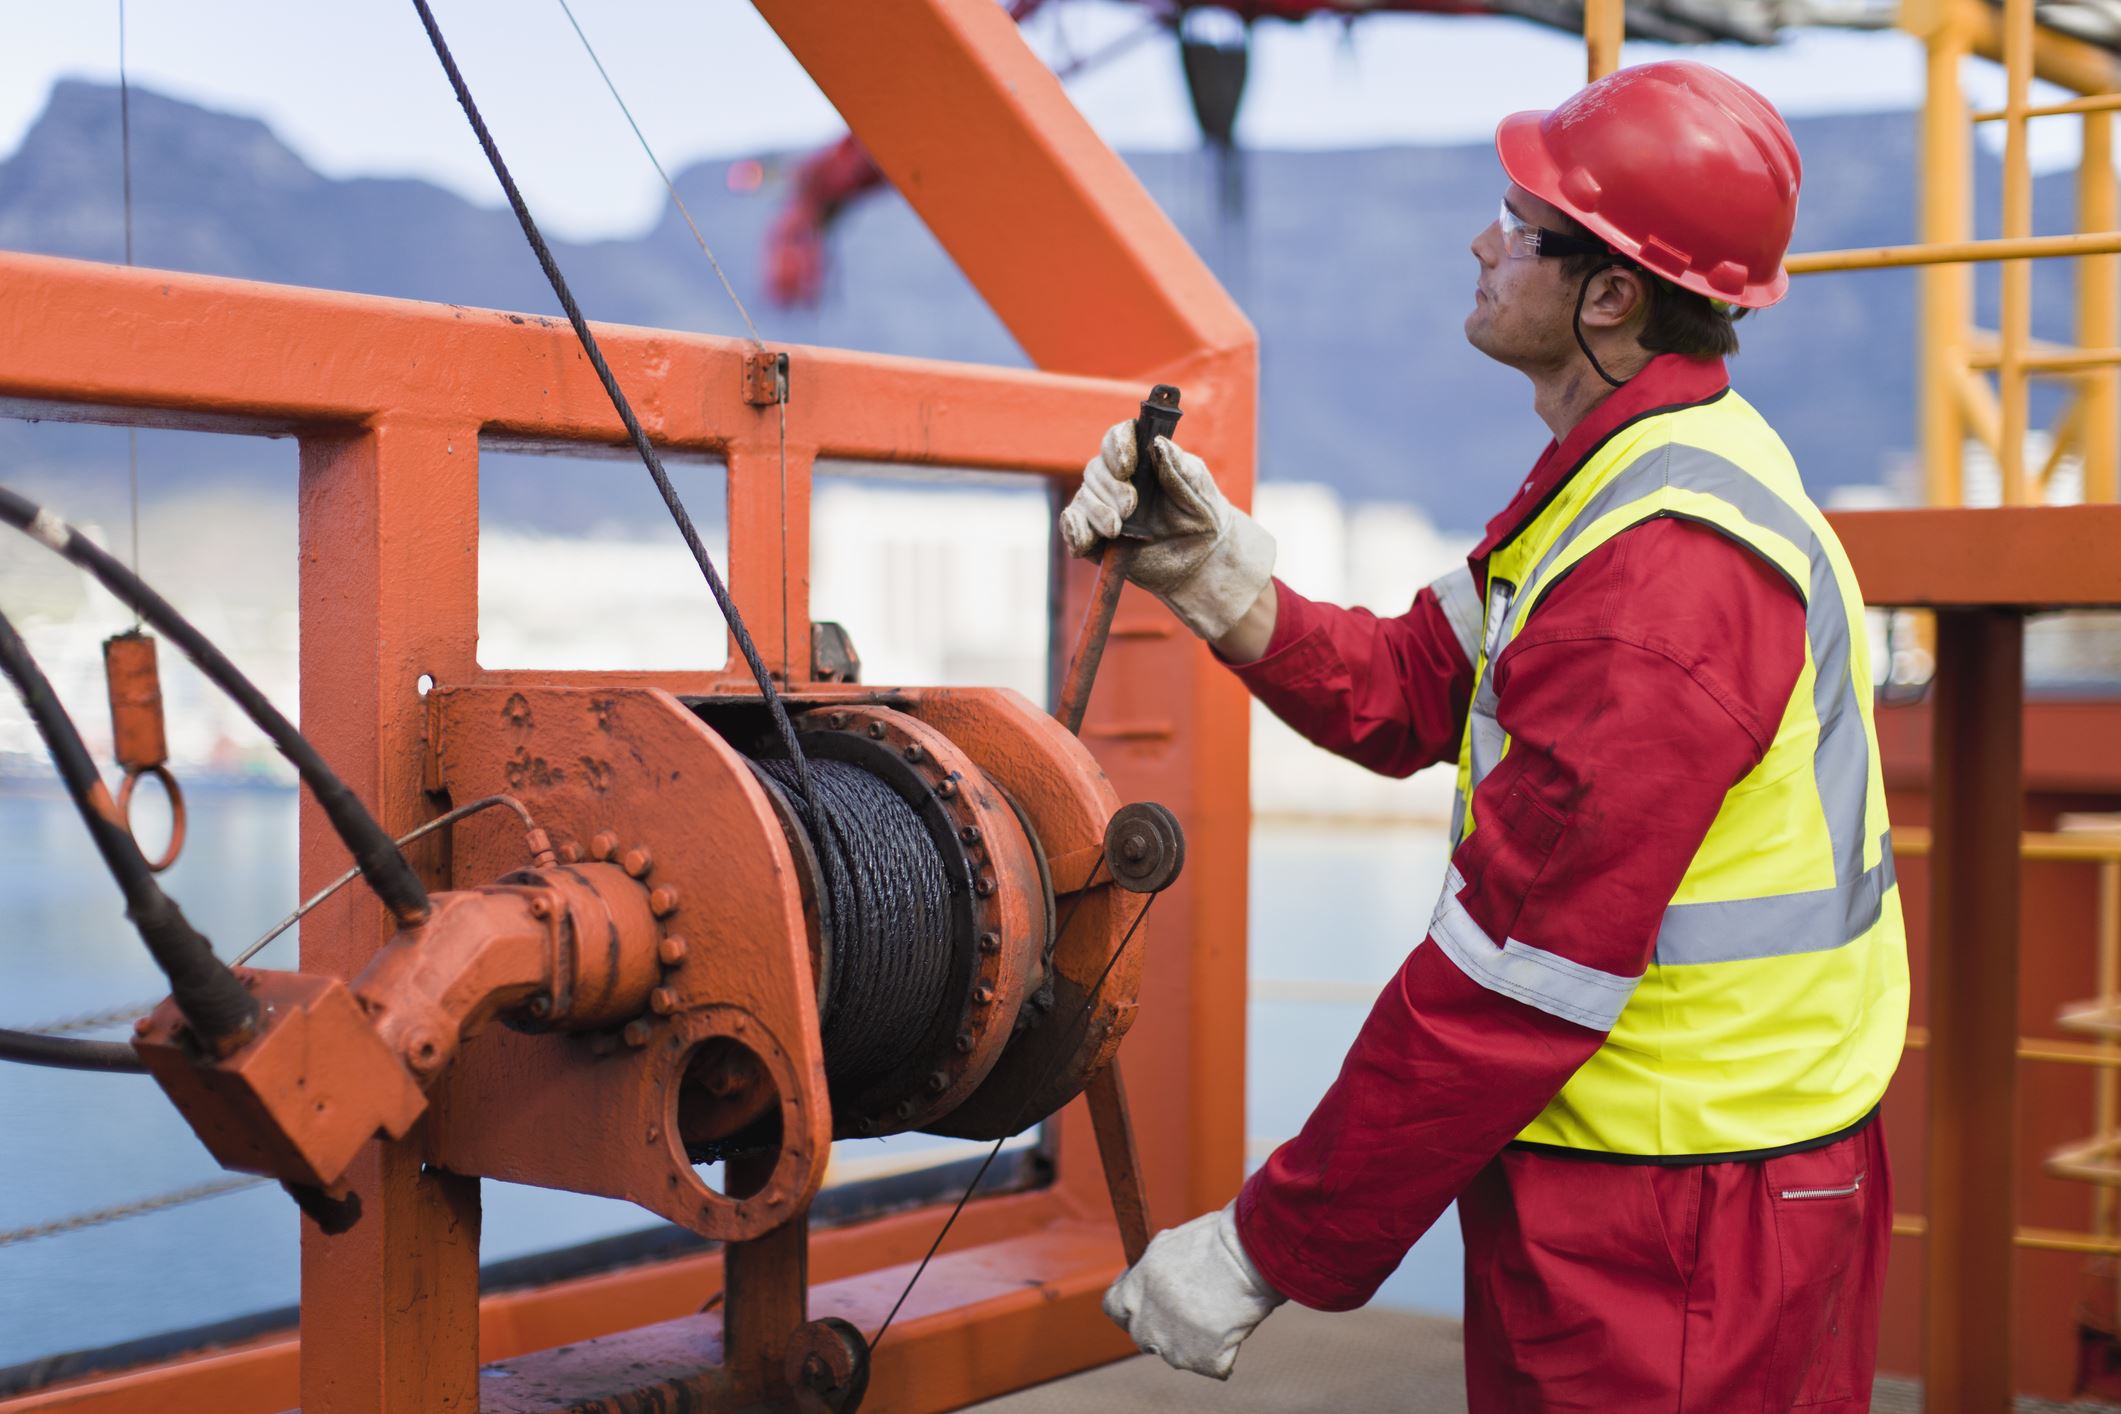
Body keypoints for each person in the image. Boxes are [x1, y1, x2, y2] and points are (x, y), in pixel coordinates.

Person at [1070, 61, 1909, 1412]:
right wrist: (1216, 577)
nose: (1479, 240)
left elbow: (1511, 980)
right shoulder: (1637, 475)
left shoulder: (1654, 582)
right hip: (1699, 1184)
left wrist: (1261, 1244)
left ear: (1610, 295)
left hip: (1673, 1226)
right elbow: (1412, 684)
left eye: (1516, 223)